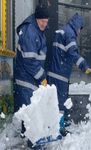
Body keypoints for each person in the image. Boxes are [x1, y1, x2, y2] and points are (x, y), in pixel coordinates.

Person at [47, 13, 88, 127]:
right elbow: (72, 53)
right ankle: (59, 127)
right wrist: (83, 65)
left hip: (54, 72)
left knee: (53, 101)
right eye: (80, 29)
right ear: (77, 26)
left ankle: (55, 124)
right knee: (60, 102)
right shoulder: (70, 34)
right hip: (60, 75)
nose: (79, 32)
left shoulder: (63, 31)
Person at [14, 4, 49, 138]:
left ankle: (29, 136)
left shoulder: (37, 30)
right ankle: (31, 139)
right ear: (36, 19)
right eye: (42, 21)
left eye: (46, 21)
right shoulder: (30, 32)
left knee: (30, 110)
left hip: (31, 77)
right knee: (29, 110)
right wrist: (42, 77)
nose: (45, 24)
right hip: (26, 78)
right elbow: (29, 61)